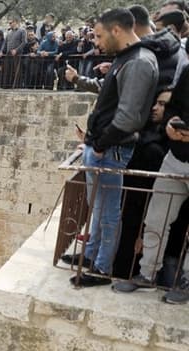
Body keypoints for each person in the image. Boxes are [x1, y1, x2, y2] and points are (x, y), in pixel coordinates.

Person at [64, 8, 159, 286]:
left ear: (116, 30)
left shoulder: (139, 62)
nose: (96, 41)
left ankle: (102, 269)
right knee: (99, 209)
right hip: (102, 147)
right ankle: (91, 256)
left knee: (108, 213)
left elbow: (129, 117)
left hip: (112, 150)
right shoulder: (125, 59)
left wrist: (102, 145)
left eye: (99, 35)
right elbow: (108, 91)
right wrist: (77, 81)